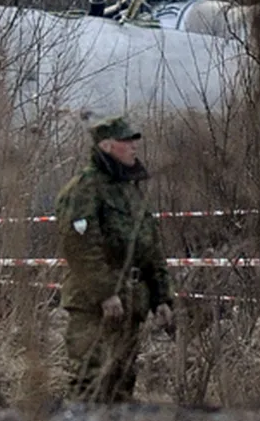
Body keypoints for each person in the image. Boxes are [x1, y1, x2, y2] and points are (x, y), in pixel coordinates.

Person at [54, 116, 175, 402]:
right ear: (107, 146)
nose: (134, 147)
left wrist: (161, 297)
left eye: (134, 140)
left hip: (131, 302)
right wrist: (106, 293)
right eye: (126, 141)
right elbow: (80, 247)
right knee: (90, 380)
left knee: (122, 380)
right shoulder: (84, 188)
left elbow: (150, 246)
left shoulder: (131, 191)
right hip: (93, 306)